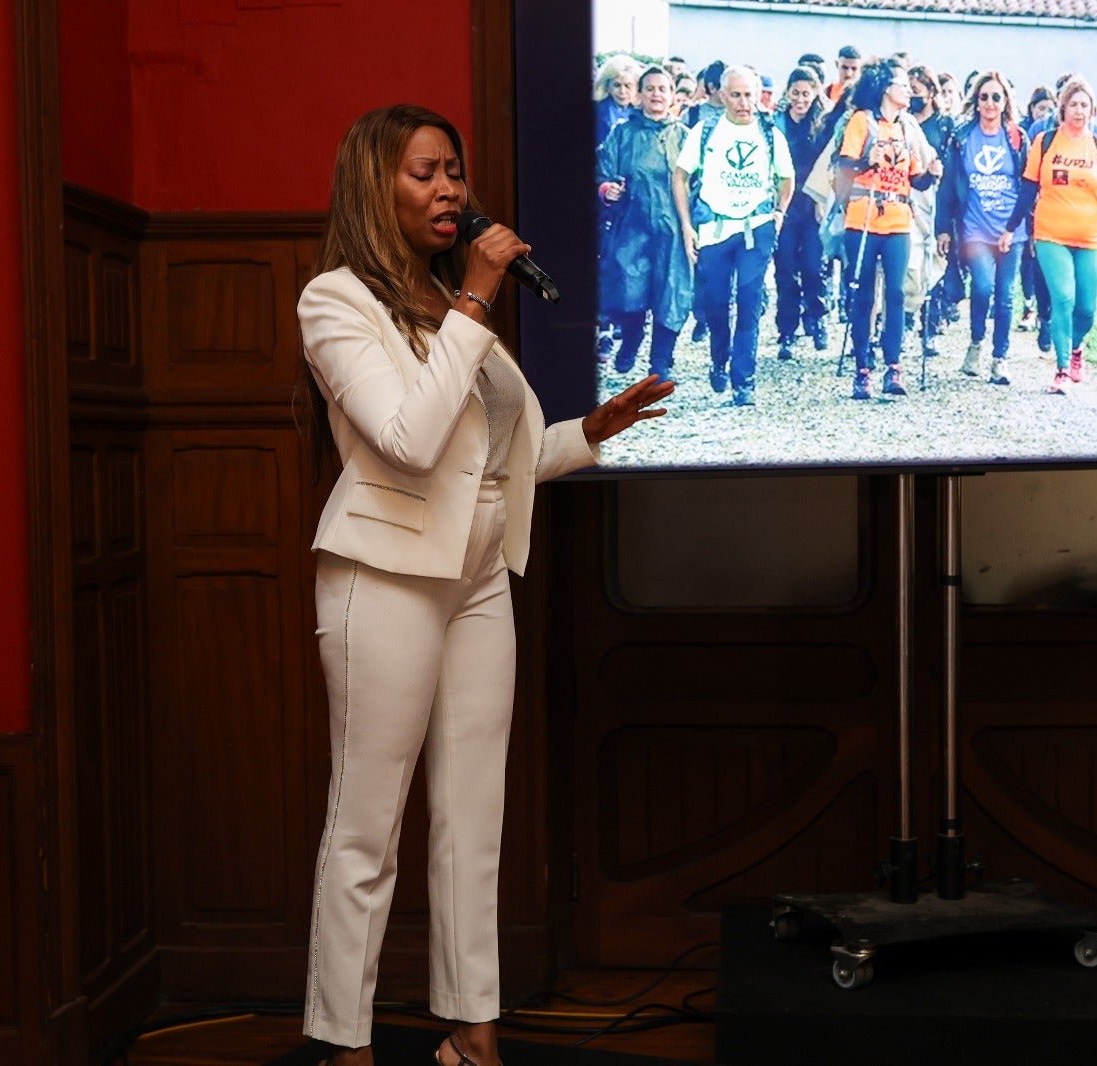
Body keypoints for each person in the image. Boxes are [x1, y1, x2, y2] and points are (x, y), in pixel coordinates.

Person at [297, 104, 673, 1066]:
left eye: (454, 172)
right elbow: (410, 443)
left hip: (477, 580)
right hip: (385, 577)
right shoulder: (337, 301)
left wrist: (591, 432)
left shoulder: (445, 301)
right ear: (375, 185)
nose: (450, 190)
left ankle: (472, 1034)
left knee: (473, 820)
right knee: (366, 827)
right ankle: (344, 1044)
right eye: (425, 172)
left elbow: (492, 466)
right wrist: (472, 300)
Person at [672, 65, 795, 407]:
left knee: (749, 301)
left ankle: (744, 381)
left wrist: (779, 212)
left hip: (756, 228)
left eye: (749, 95)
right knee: (715, 303)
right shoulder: (705, 131)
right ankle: (719, 358)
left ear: (758, 96)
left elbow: (787, 178)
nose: (743, 103)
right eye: (736, 95)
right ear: (722, 96)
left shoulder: (770, 133)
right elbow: (680, 176)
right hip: (714, 229)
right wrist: (686, 226)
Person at [834, 61, 942, 399]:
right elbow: (844, 167)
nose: (908, 91)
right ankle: (862, 369)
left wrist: (932, 174)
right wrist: (868, 160)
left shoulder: (907, 127)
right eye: (902, 85)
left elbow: (915, 179)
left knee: (895, 293)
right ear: (884, 88)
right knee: (864, 295)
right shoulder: (862, 121)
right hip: (863, 218)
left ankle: (893, 366)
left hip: (897, 220)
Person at [1007, 77, 1097, 394]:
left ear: (1093, 110)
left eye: (1084, 105)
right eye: (1073, 104)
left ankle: (1075, 347)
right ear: (1063, 108)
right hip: (1051, 234)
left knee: (1086, 309)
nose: (1079, 111)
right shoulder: (1045, 143)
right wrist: (1010, 228)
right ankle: (1061, 370)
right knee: (1063, 297)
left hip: (1089, 237)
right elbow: (1028, 189)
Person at [597, 66, 695, 382]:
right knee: (629, 292)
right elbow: (601, 169)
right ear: (639, 95)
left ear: (673, 96)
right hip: (631, 226)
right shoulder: (623, 134)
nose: (656, 95)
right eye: (650, 89)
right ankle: (631, 341)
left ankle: (660, 363)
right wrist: (606, 189)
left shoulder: (684, 137)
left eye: (662, 89)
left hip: (673, 230)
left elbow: (700, 182)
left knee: (672, 293)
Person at [937, 71, 1028, 385]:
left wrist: (1023, 227)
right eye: (984, 97)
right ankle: (976, 343)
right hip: (975, 226)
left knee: (1005, 295)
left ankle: (1000, 358)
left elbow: (1029, 185)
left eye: (996, 97)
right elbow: (948, 185)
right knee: (982, 286)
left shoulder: (1016, 138)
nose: (990, 103)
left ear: (1005, 102)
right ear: (976, 101)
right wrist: (943, 228)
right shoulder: (962, 137)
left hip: (1012, 229)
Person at [773, 66, 834, 359]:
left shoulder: (822, 125)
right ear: (788, 93)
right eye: (795, 93)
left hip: (812, 205)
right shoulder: (776, 124)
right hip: (785, 204)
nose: (800, 99)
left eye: (805, 94)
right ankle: (787, 330)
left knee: (812, 266)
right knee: (785, 269)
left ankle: (817, 316)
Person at [905, 64, 953, 360]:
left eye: (917, 90)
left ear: (931, 92)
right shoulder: (902, 122)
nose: (912, 96)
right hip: (907, 198)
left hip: (935, 199)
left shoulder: (944, 125)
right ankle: (905, 320)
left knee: (934, 261)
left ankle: (930, 328)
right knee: (909, 264)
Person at [1017, 85, 1057, 333]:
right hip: (1030, 200)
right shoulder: (1028, 132)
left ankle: (1046, 312)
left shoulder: (1055, 131)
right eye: (1041, 108)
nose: (1045, 113)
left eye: (1049, 109)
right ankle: (1029, 305)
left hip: (1050, 203)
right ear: (1032, 109)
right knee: (1028, 257)